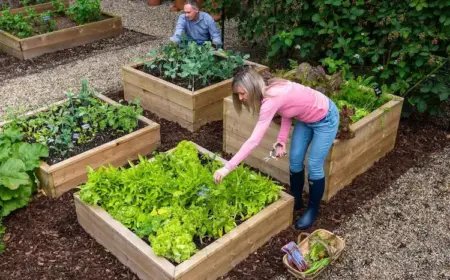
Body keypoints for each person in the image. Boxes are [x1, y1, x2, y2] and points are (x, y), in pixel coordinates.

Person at [213, 66, 340, 230]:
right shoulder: (270, 89)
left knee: (315, 164)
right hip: (305, 119)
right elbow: (287, 111)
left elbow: (254, 141)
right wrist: (281, 141)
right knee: (295, 159)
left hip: (325, 117)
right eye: (238, 94)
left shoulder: (271, 98)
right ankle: (296, 199)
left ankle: (312, 209)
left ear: (253, 88)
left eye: (243, 93)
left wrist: (227, 167)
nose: (241, 97)